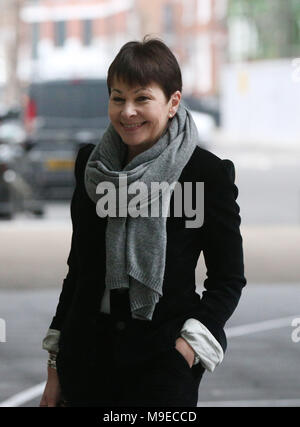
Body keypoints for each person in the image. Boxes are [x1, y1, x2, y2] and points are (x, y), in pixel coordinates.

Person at [39, 36, 246, 408]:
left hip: (162, 363)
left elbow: (228, 279)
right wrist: (55, 366)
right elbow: (79, 272)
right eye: (118, 98)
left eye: (142, 98)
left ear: (173, 102)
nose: (128, 111)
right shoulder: (92, 168)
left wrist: (187, 350)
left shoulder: (204, 174)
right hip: (86, 360)